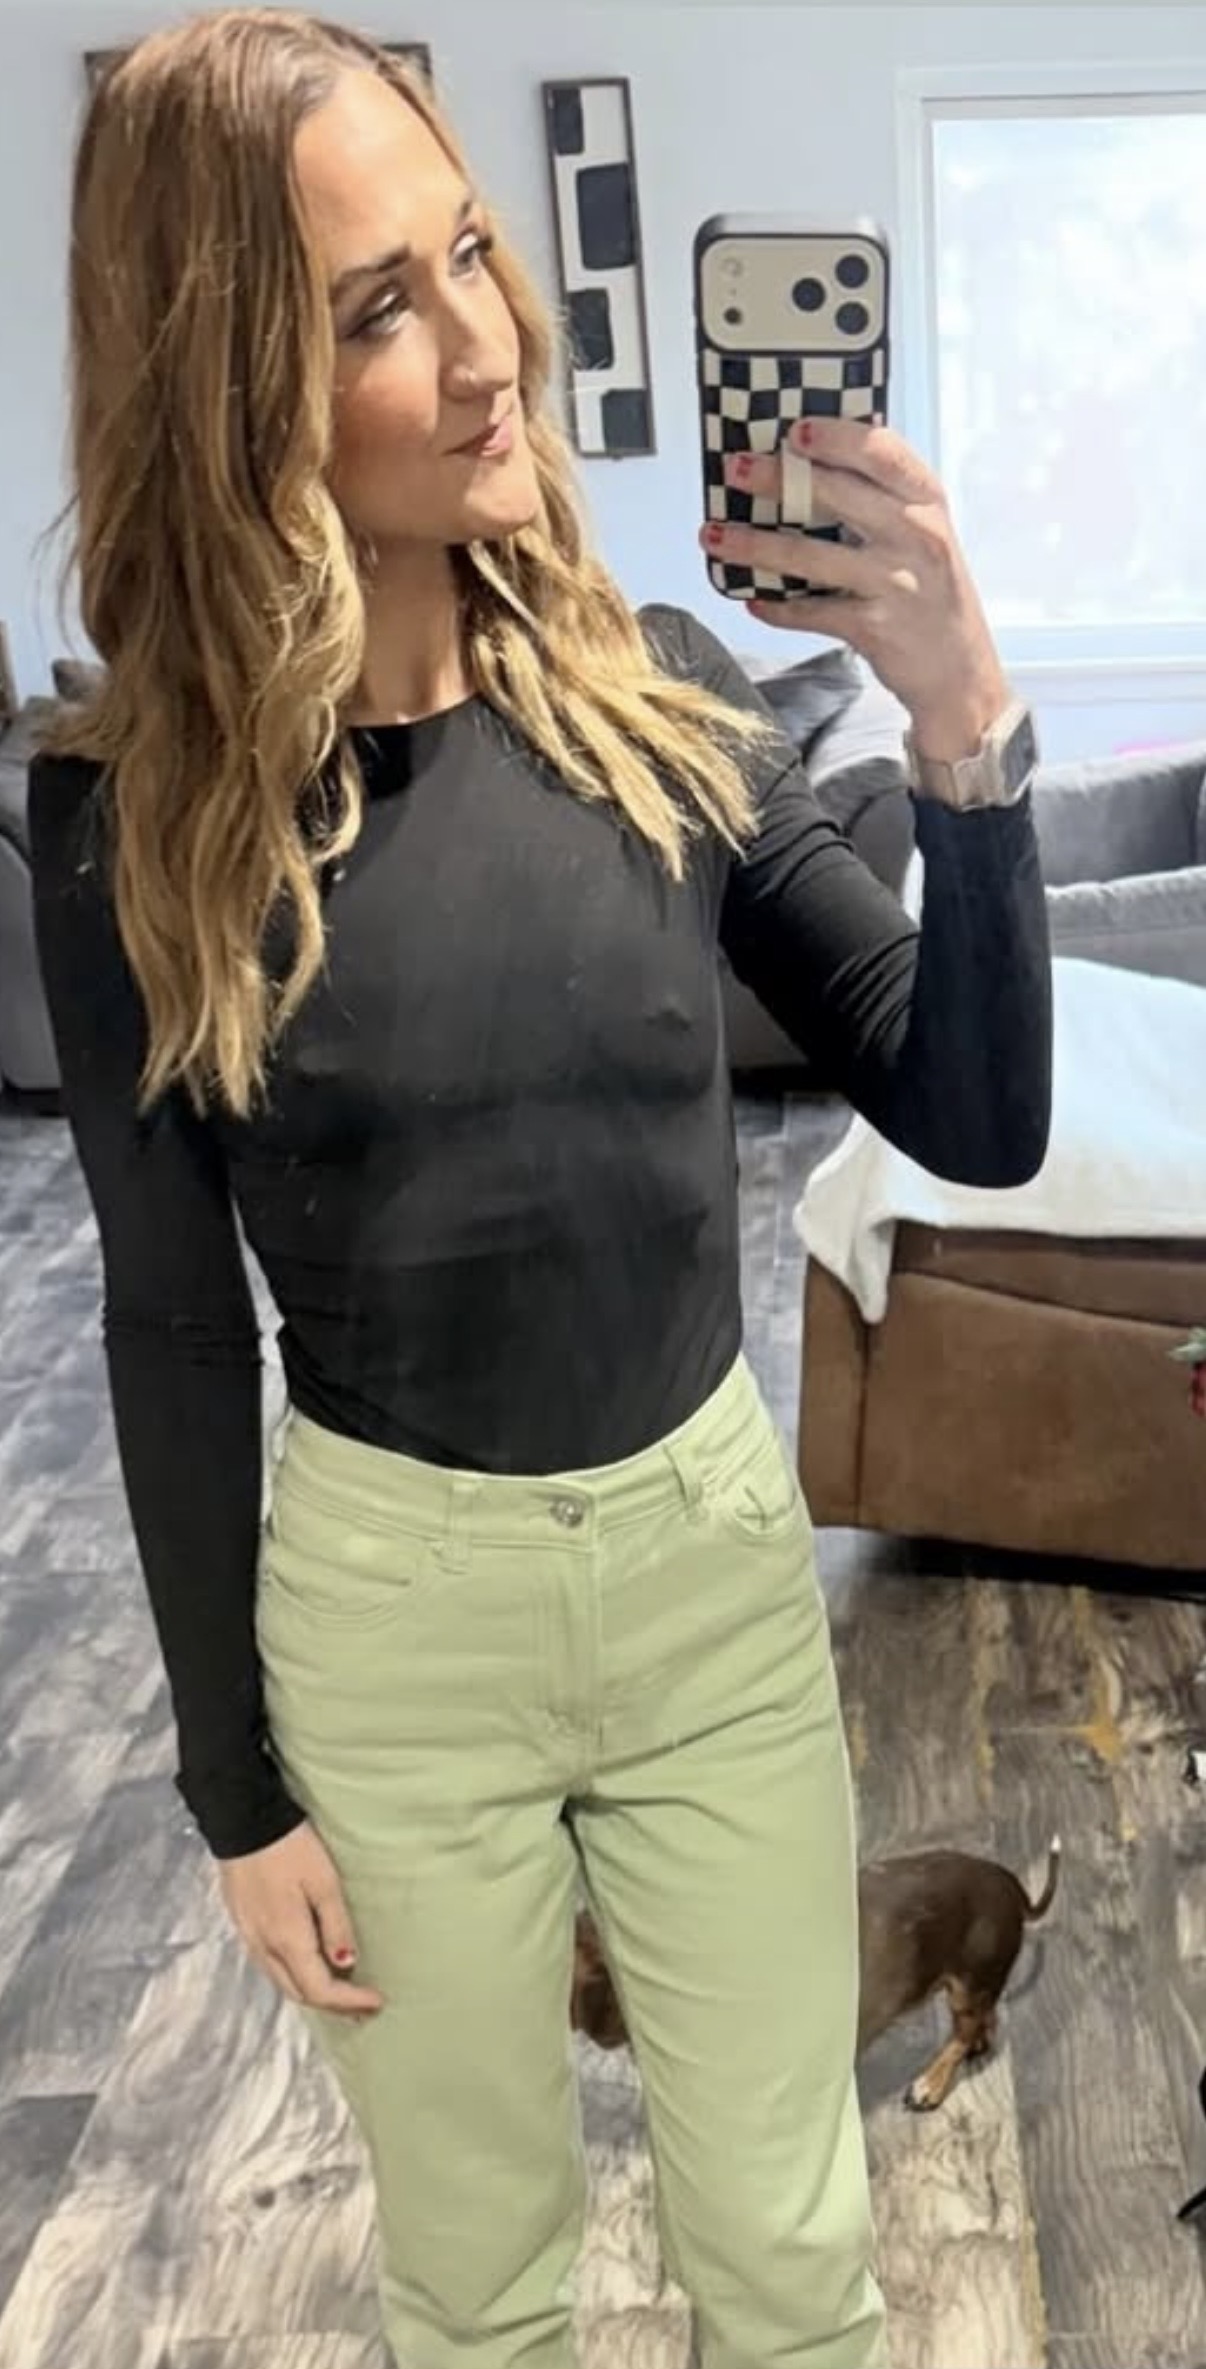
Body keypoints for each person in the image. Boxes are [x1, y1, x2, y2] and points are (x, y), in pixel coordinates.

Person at [27, 11, 1052, 2368]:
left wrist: (961, 720)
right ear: (226, 388)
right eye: (376, 307)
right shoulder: (133, 818)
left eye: (471, 252)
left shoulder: (662, 701)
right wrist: (230, 1794)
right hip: (393, 1637)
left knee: (794, 2268)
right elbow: (170, 1320)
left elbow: (976, 1111)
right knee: (476, 2290)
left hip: (708, 1590)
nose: (489, 344)